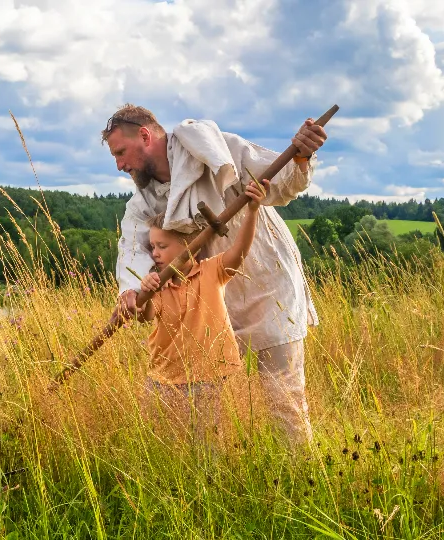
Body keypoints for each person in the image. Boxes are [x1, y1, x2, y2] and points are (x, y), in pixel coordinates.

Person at [101, 104, 327, 445]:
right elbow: (132, 247)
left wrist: (300, 157)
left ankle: (303, 478)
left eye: (121, 152)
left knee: (284, 399)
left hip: (267, 284)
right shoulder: (145, 202)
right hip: (208, 303)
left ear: (145, 136)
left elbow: (279, 185)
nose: (120, 165)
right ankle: (225, 479)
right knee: (209, 406)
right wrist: (130, 291)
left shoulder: (214, 148)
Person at [136, 178, 268, 441]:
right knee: (166, 446)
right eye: (152, 247)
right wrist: (147, 293)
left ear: (189, 246)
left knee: (209, 447)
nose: (155, 254)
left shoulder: (211, 271)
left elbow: (240, 250)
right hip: (166, 379)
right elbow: (146, 314)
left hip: (212, 378)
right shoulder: (158, 286)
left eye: (162, 246)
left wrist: (252, 210)